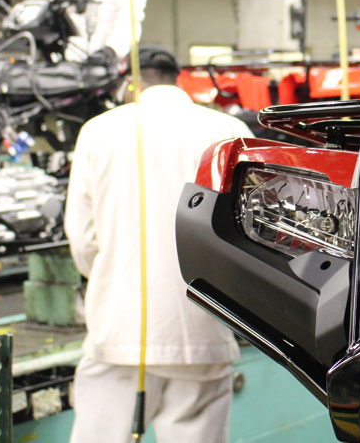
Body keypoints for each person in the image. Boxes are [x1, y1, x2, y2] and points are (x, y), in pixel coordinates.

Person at [65, 45, 254, 442]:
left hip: (118, 331)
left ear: (131, 82)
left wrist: (108, 276)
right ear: (177, 79)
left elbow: (83, 239)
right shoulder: (228, 131)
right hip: (203, 328)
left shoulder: (98, 131)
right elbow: (253, 235)